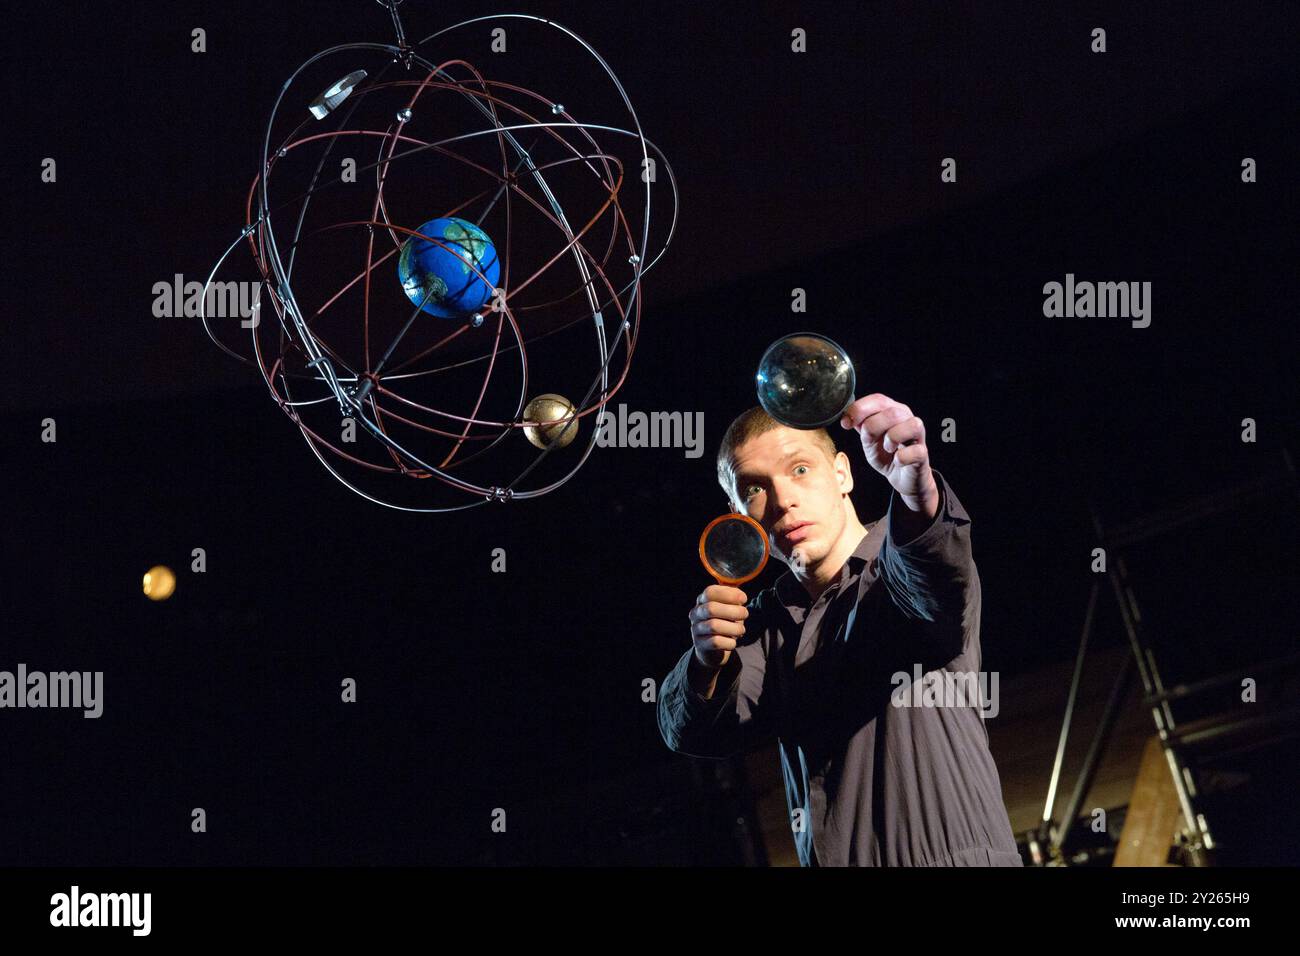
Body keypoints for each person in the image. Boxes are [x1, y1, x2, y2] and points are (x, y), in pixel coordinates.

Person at [657, 395, 1023, 867]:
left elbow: (932, 569)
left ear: (844, 474)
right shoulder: (765, 626)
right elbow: (694, 732)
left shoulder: (896, 575)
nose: (783, 499)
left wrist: (917, 494)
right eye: (753, 489)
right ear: (739, 514)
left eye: (800, 469)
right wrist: (706, 661)